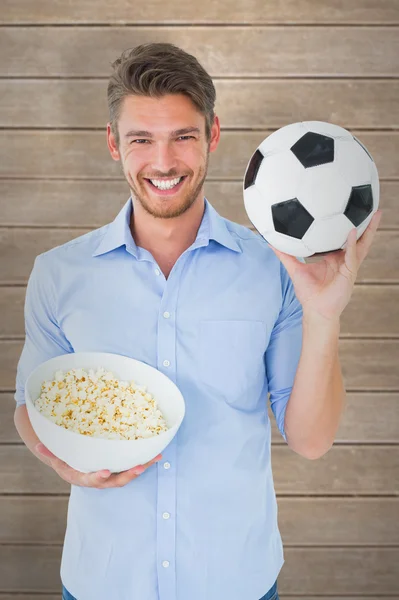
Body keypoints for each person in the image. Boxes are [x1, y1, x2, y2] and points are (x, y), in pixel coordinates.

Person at [13, 42, 381, 600]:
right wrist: (65, 464)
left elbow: (310, 441)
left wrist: (325, 315)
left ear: (211, 136)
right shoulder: (58, 275)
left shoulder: (273, 270)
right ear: (114, 144)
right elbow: (29, 407)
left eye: (182, 136)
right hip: (102, 584)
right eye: (142, 139)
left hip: (237, 583)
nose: (163, 162)